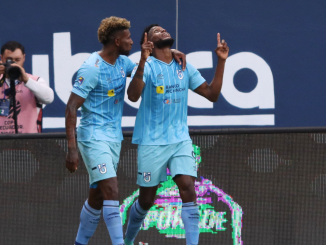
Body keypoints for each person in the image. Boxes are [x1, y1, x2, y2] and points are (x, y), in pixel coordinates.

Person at [64, 17, 186, 245]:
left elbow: (147, 68)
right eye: (129, 37)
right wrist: (71, 148)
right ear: (118, 40)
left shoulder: (122, 63)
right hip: (93, 137)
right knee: (111, 189)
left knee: (97, 197)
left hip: (113, 139)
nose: (133, 41)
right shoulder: (92, 68)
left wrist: (172, 51)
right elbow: (71, 106)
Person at [124, 24, 229, 245]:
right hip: (152, 143)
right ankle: (127, 240)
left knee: (188, 189)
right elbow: (133, 96)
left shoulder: (184, 66)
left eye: (163, 29)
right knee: (146, 201)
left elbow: (212, 94)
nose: (162, 31)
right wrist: (143, 60)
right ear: (149, 44)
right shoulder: (147, 66)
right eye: (156, 32)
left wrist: (221, 61)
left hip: (180, 140)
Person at [0, 41, 54, 134]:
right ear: (1, 58)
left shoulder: (35, 81)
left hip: (28, 144)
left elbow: (49, 99)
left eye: (17, 60)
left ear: (24, 58)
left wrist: (27, 80)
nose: (14, 64)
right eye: (9, 60)